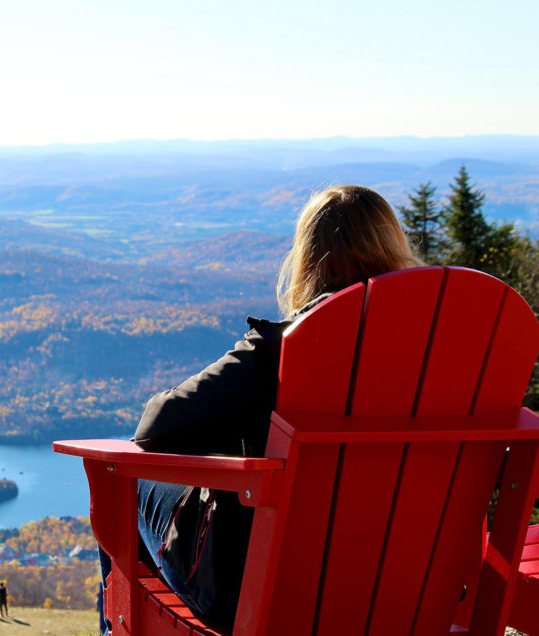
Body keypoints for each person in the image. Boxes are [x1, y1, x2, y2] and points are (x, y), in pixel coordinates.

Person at [102, 185, 422, 631]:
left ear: (309, 258)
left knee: (117, 479)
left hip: (255, 590)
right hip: (409, 584)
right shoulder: (442, 352)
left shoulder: (278, 350)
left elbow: (154, 428)